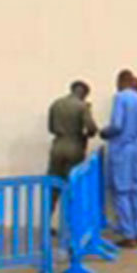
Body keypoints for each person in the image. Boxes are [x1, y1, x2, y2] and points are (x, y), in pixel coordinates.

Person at [102, 70, 137, 247]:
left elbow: (117, 125)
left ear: (120, 82)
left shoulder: (120, 98)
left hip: (121, 147)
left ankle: (128, 234)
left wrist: (105, 133)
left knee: (121, 190)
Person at [47, 81, 98, 218]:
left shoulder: (56, 103)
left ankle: (47, 221)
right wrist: (86, 135)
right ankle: (70, 224)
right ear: (84, 93)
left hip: (57, 146)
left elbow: (51, 128)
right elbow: (92, 128)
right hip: (74, 147)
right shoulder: (82, 106)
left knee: (53, 186)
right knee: (73, 186)